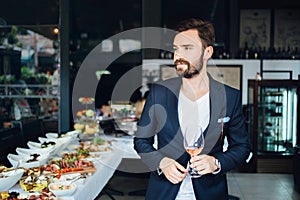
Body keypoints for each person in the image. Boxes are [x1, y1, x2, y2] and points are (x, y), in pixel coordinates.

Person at [134, 18, 251, 200]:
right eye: (176, 49)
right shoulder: (159, 93)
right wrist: (161, 163)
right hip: (164, 193)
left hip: (211, 194)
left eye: (187, 48)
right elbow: (141, 141)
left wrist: (216, 163)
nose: (178, 55)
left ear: (207, 52)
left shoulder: (230, 97)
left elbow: (242, 147)